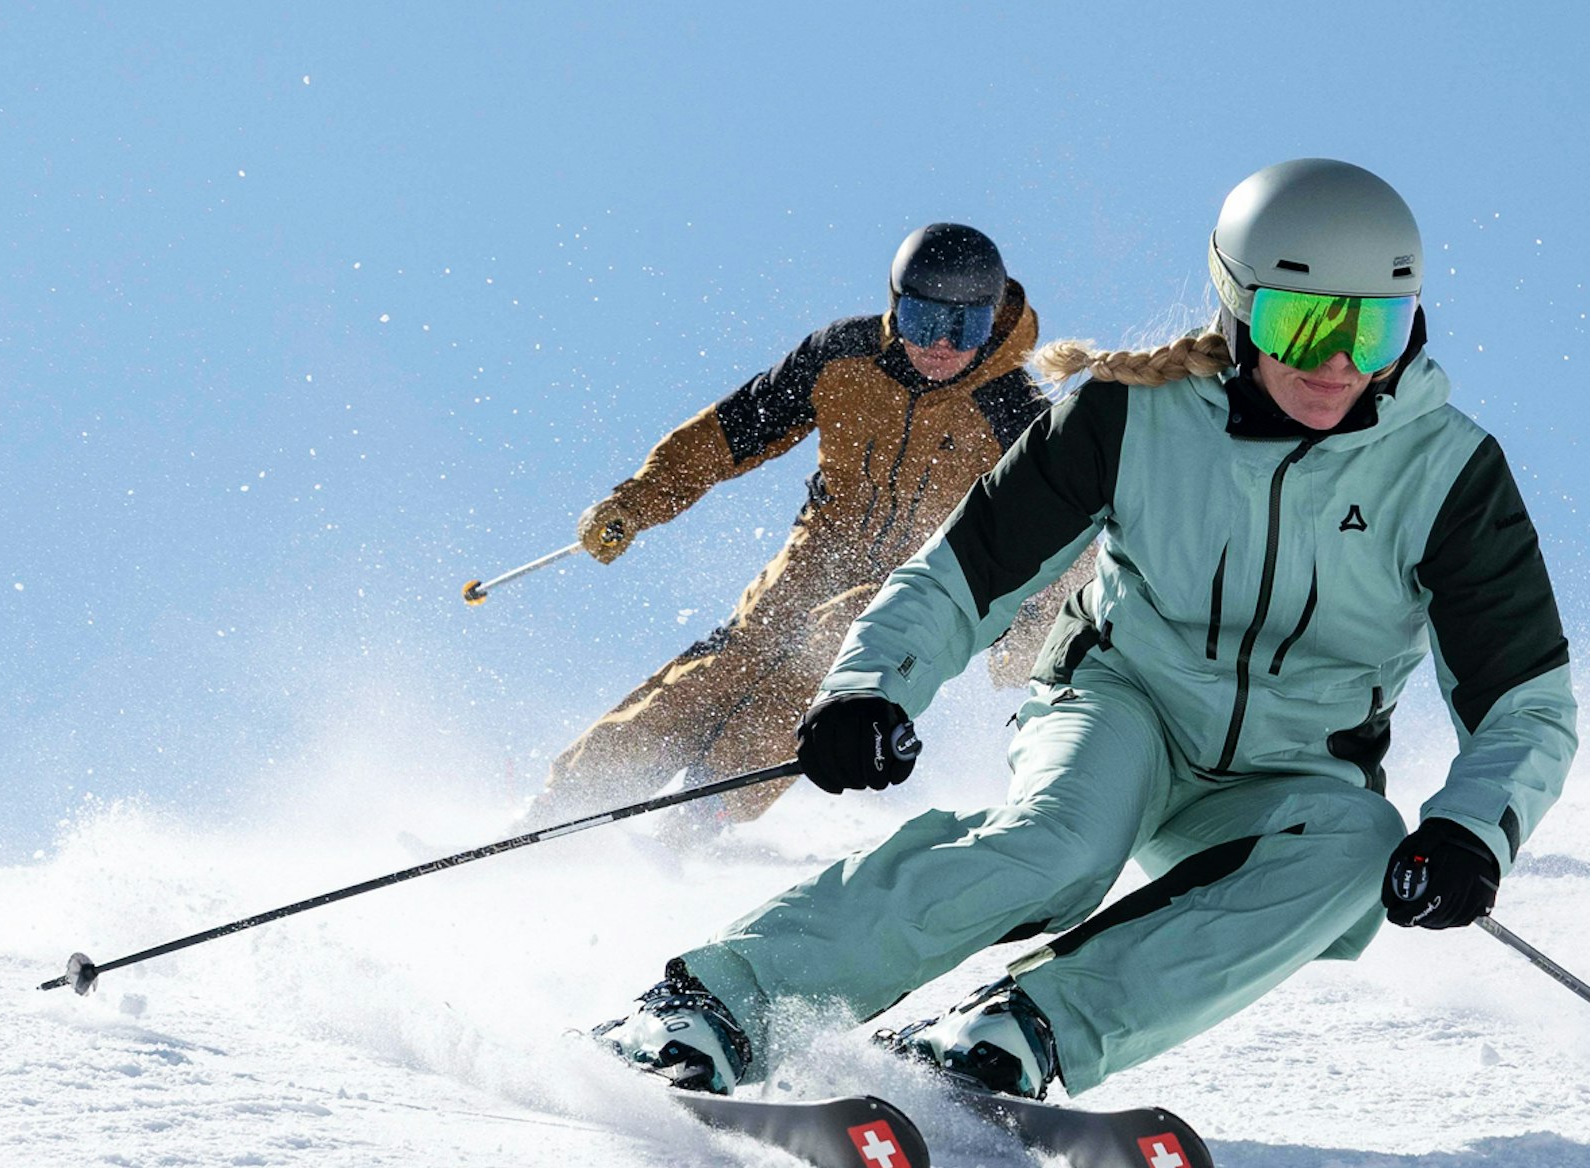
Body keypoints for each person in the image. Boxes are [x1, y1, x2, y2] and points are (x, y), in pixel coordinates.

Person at [594, 159, 1575, 1101]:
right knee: (1060, 851)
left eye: (1374, 331)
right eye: (1299, 320)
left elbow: (1525, 705)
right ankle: (716, 1004)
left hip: (1292, 770)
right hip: (1120, 708)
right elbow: (964, 571)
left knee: (1362, 844)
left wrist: (1469, 833)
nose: (1334, 364)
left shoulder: (1446, 474)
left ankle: (1021, 1030)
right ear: (1236, 308)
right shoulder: (1134, 415)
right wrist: (869, 688)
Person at [524, 224, 1085, 838]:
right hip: (823, 545)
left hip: (921, 576)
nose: (945, 347)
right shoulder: (843, 356)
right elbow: (730, 433)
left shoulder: (1013, 410)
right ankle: (566, 803)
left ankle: (697, 819)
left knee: (827, 661)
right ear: (897, 307)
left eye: (967, 328)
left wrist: (1030, 635)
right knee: (733, 660)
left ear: (993, 323)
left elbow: (1062, 534)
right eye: (926, 322)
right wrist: (634, 504)